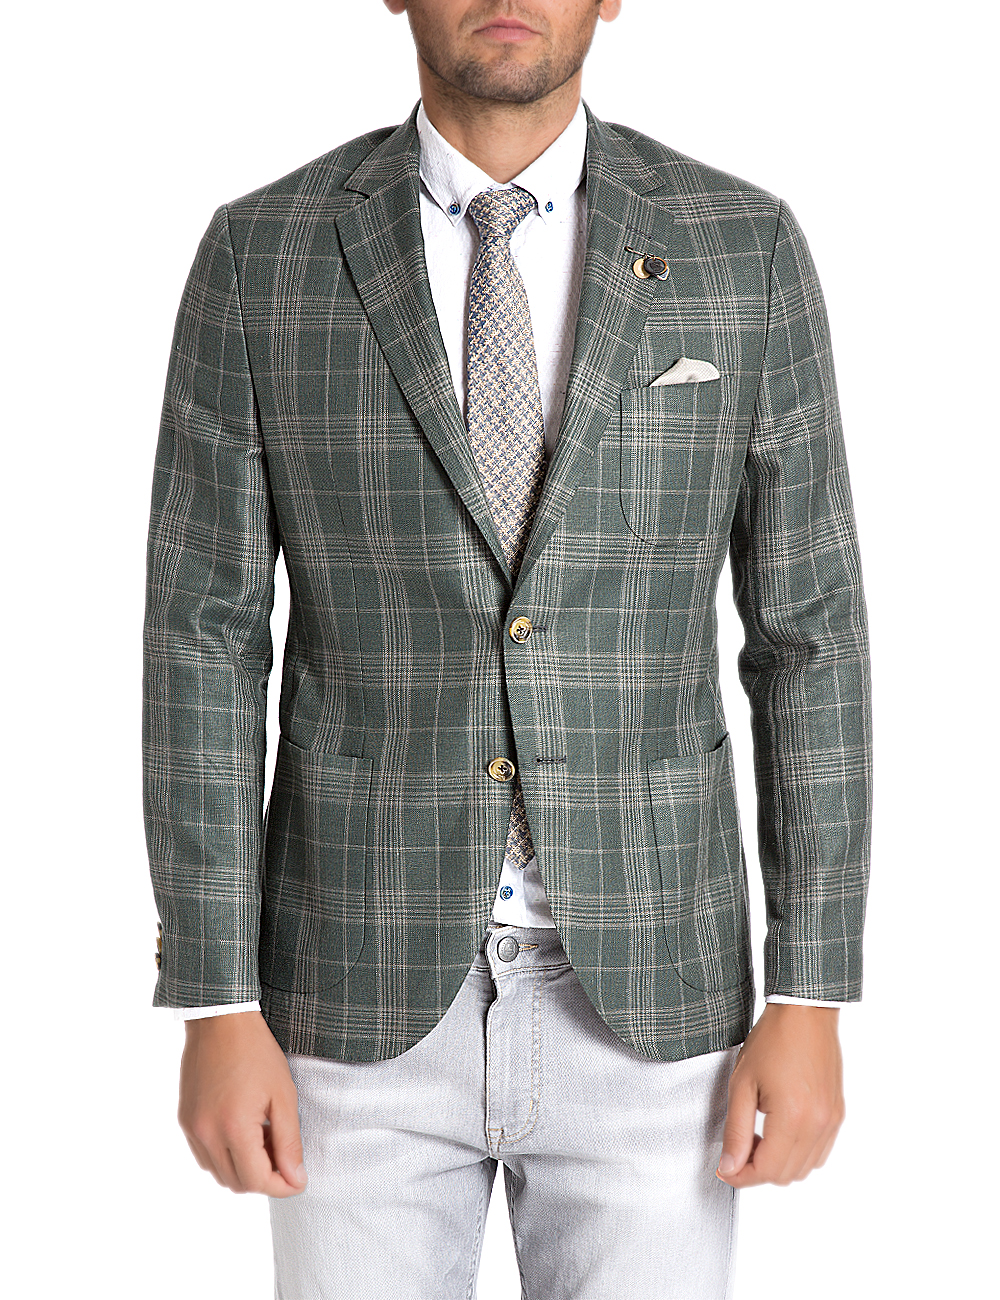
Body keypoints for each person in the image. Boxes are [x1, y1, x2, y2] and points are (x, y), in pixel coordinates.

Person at [143, 2, 872, 1295]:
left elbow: (808, 634)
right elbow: (204, 636)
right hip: (350, 996)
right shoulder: (264, 253)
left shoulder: (740, 244)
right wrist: (216, 998)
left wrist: (811, 990)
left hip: (656, 999)